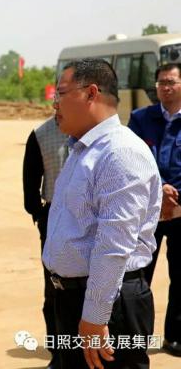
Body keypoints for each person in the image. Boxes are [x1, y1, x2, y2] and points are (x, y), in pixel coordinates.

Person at [43, 58, 162, 369]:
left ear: (90, 93)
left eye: (61, 93)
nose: (55, 103)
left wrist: (95, 317)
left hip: (109, 304)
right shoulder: (83, 149)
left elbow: (113, 246)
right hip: (75, 299)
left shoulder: (120, 153)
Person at [128, 62, 181, 357]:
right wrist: (160, 187)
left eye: (171, 82)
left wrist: (175, 195)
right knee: (138, 275)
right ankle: (136, 338)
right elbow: (132, 159)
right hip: (147, 210)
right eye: (161, 83)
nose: (165, 87)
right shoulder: (140, 119)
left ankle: (175, 337)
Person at [22, 116, 68, 369]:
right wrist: (39, 213)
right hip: (53, 218)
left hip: (94, 217)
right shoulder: (40, 134)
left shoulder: (96, 131)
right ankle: (59, 354)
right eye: (57, 98)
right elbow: (30, 179)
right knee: (55, 289)